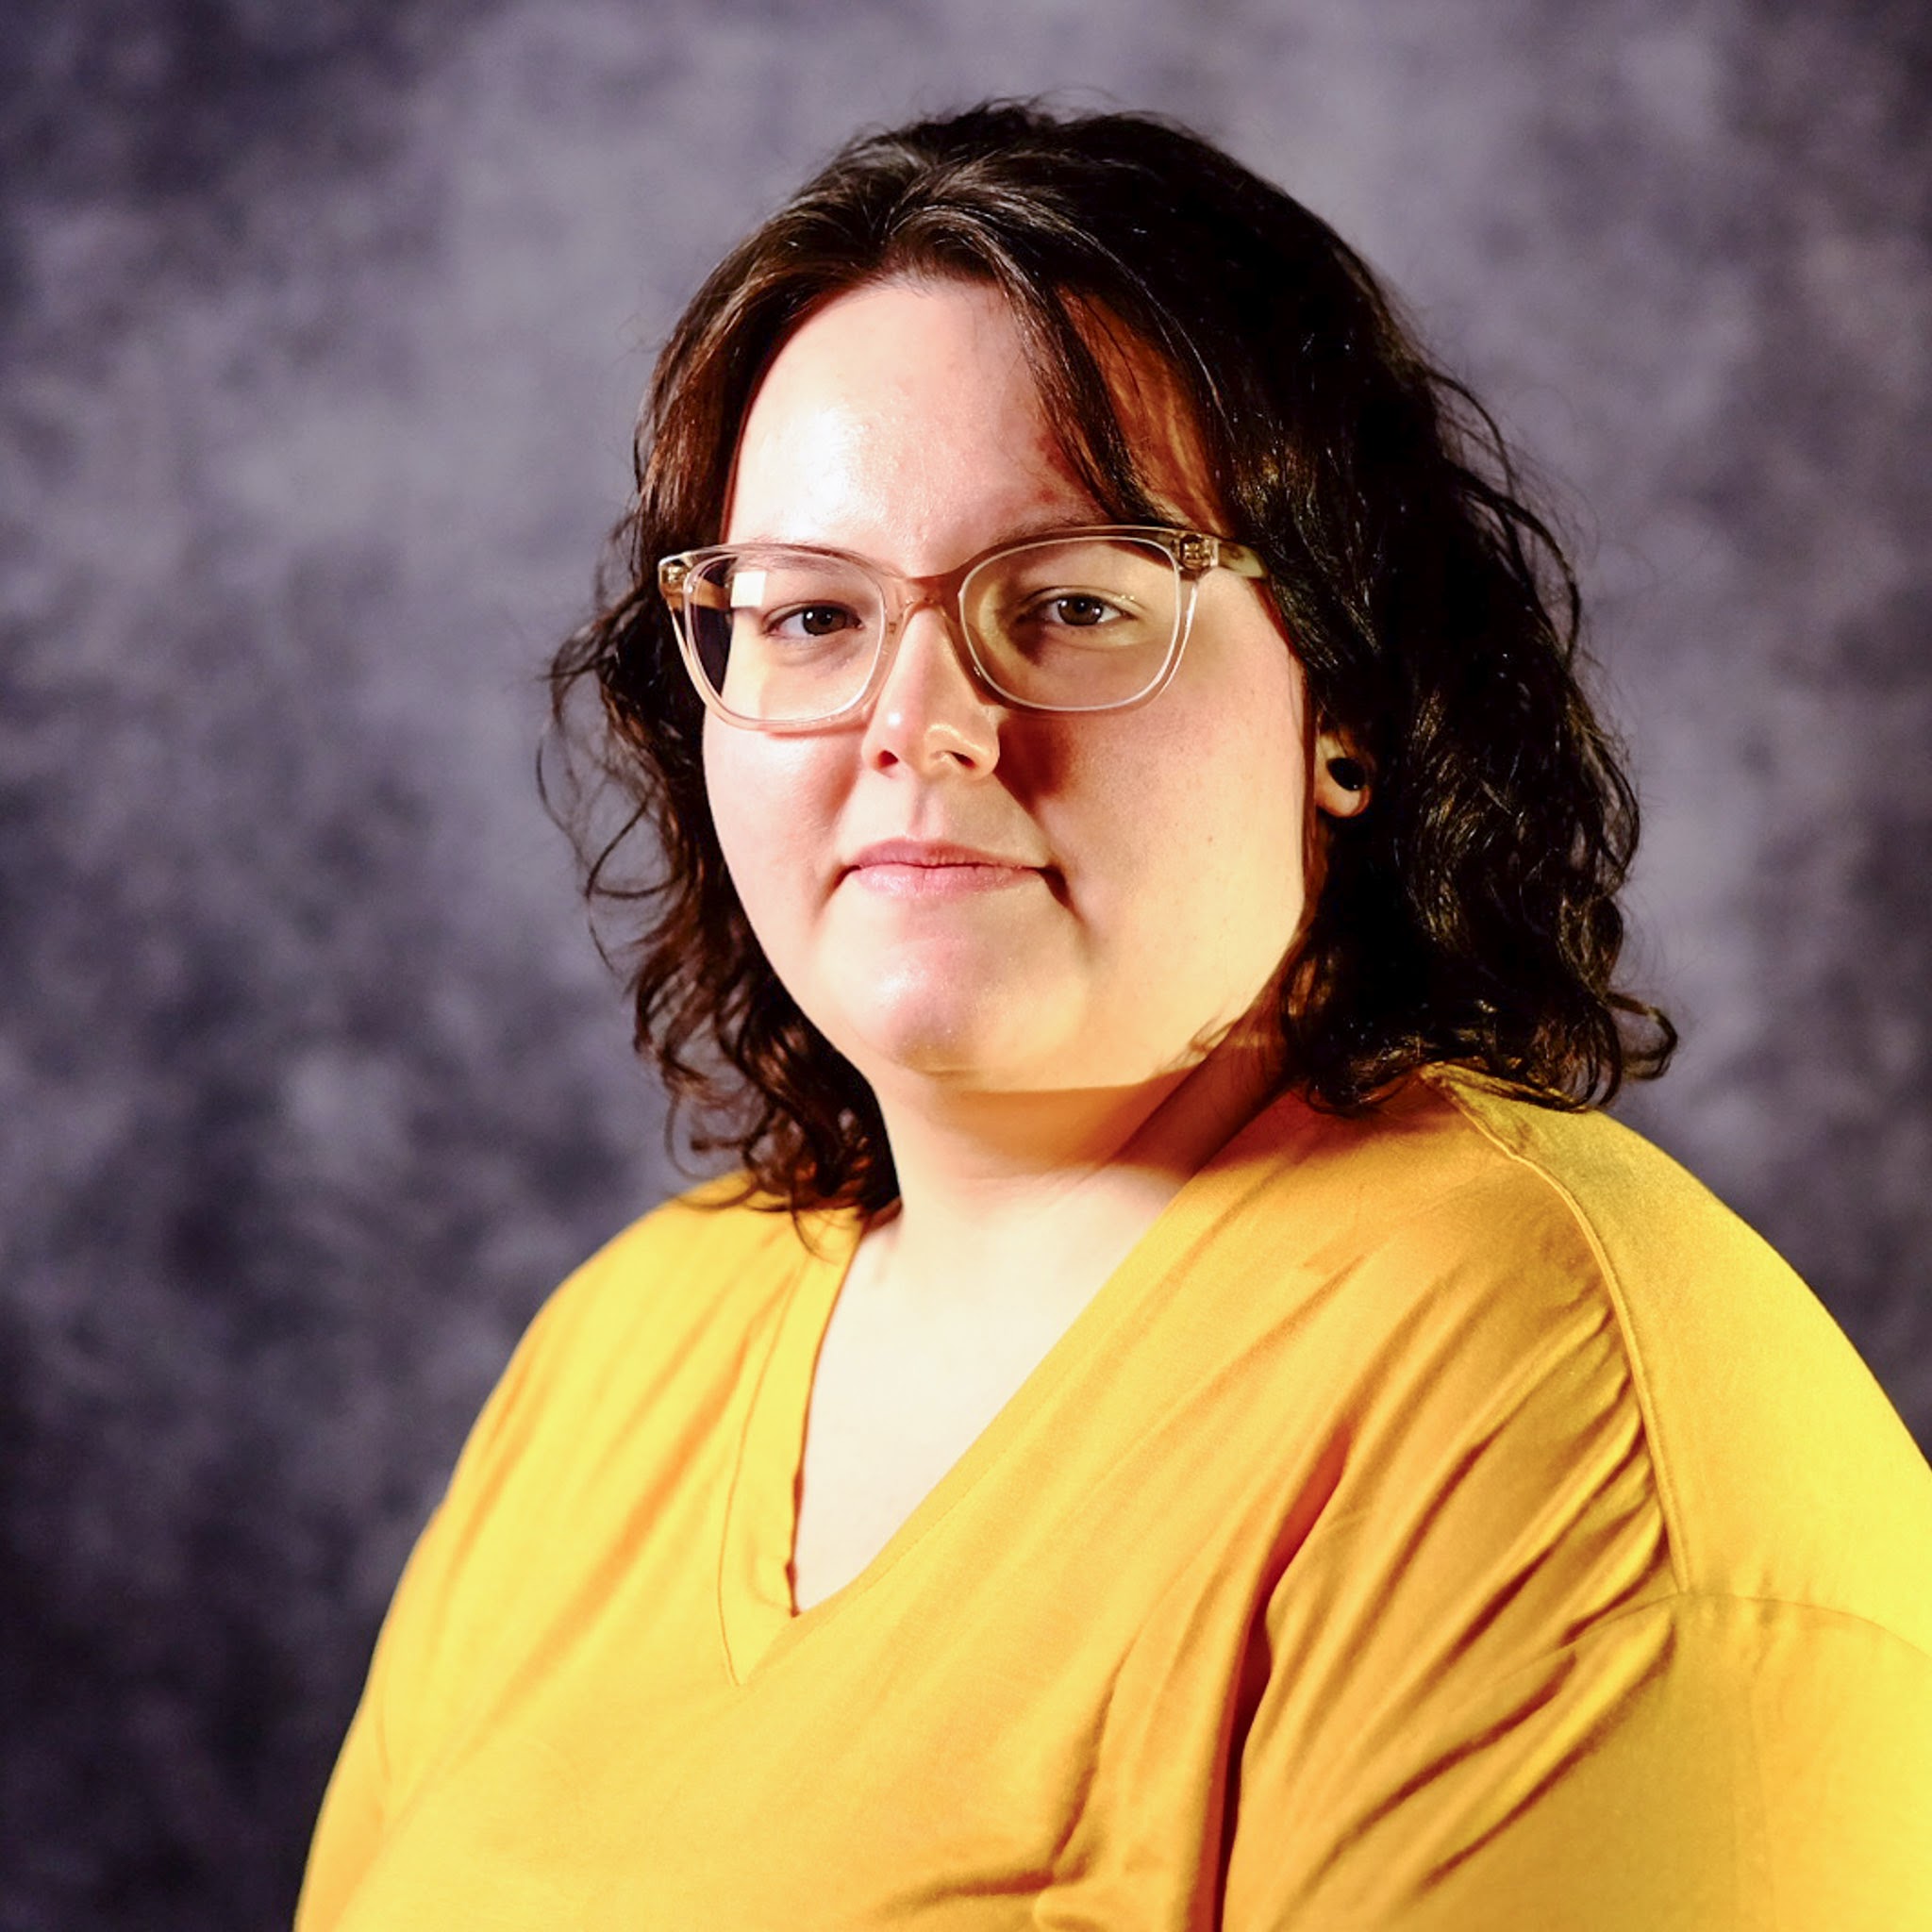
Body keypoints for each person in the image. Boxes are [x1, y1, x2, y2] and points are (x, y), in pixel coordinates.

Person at [295, 102, 1932, 1929]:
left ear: (1351, 705)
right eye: (813, 618)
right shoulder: (621, 1352)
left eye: (1070, 603)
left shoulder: (1547, 1402)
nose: (917, 720)